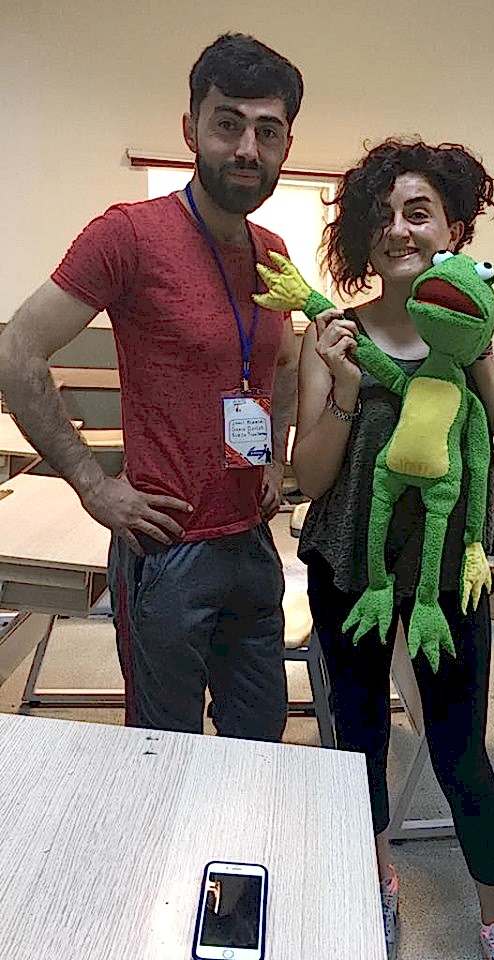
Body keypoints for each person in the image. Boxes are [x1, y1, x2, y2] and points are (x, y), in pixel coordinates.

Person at [0, 34, 303, 741]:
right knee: (162, 751)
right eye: (227, 124)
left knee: (262, 742)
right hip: (168, 548)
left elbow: (284, 363)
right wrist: (92, 484)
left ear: (287, 144)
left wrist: (276, 460)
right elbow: (16, 351)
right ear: (191, 129)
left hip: (252, 541)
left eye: (267, 131)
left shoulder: (274, 253)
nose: (247, 149)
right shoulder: (128, 236)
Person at [292, 140, 494, 960]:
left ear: (454, 230)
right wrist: (341, 390)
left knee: (460, 749)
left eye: (419, 213)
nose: (398, 229)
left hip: (446, 575)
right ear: (362, 235)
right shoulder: (332, 333)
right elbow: (308, 477)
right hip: (350, 568)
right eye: (382, 215)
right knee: (358, 739)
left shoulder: (480, 327)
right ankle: (378, 879)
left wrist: (478, 350)